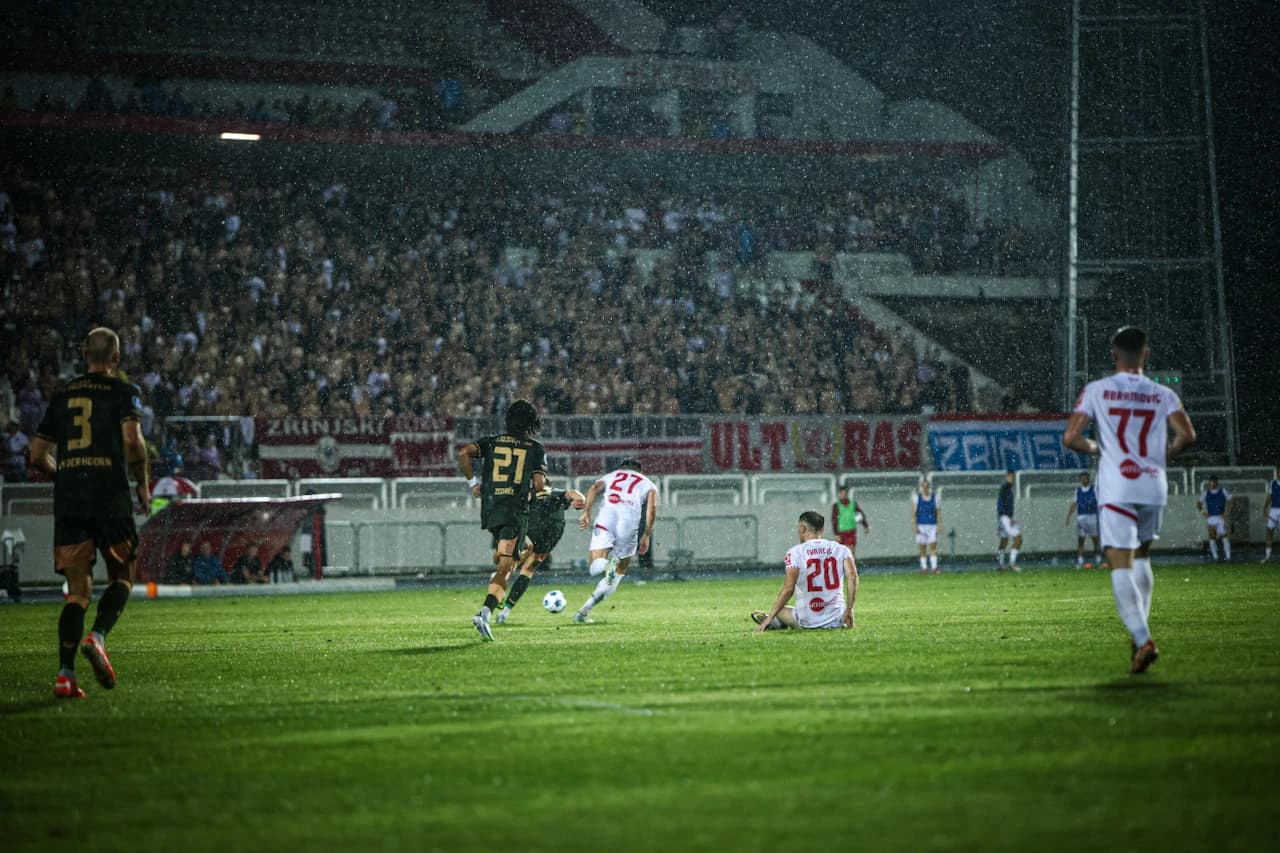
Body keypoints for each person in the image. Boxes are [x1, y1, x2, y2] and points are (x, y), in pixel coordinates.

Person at [1062, 325, 1196, 674]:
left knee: (1120, 562)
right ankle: (1139, 638)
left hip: (1119, 485)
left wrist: (1098, 448)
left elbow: (1071, 438)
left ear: (1113, 355)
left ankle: (1143, 637)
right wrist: (1162, 456)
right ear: (1146, 355)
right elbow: (1187, 435)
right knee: (1142, 558)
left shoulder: (1097, 390)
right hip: (1153, 485)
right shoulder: (1162, 393)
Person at [26, 327, 151, 699]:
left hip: (71, 501)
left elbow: (36, 455)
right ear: (115, 358)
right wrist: (142, 482)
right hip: (109, 496)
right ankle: (97, 637)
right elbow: (132, 439)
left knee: (77, 593)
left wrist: (62, 476)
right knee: (123, 576)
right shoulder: (123, 392)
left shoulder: (64, 395)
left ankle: (65, 675)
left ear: (84, 354)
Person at [457, 399, 546, 641]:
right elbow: (539, 485)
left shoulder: (491, 442)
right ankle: (484, 613)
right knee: (508, 567)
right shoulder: (534, 448)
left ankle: (498, 575)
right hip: (515, 509)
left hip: (492, 509)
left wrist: (473, 484)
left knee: (525, 548)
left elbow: (463, 453)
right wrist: (543, 491)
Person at [572, 457, 658, 624]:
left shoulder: (612, 475)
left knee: (595, 567)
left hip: (606, 517)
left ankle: (605, 565)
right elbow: (652, 508)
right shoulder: (648, 483)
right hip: (629, 524)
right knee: (618, 573)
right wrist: (646, 535)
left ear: (622, 468)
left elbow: (594, 488)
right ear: (639, 471)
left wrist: (586, 512)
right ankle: (584, 611)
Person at [495, 472, 585, 624]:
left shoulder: (531, 494)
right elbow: (572, 494)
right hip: (549, 537)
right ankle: (505, 611)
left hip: (533, 532)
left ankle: (498, 589)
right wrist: (580, 499)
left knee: (510, 564)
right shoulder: (557, 494)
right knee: (527, 570)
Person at [752, 510, 857, 631]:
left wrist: (768, 619)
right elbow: (853, 577)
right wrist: (849, 609)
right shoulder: (841, 549)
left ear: (802, 528)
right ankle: (778, 622)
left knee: (780, 610)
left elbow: (788, 589)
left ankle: (775, 622)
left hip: (807, 622)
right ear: (822, 530)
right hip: (837, 620)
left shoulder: (795, 552)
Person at [1065, 471, 1103, 569]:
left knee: (1095, 539)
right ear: (1080, 480)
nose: (1084, 480)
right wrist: (1068, 517)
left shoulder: (1094, 489)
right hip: (1081, 517)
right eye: (1082, 478)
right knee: (1081, 540)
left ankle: (1098, 559)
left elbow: (1100, 503)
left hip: (1092, 517)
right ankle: (1080, 560)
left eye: (1086, 478)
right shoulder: (1078, 491)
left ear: (1088, 479)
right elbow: (1073, 504)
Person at [1197, 475, 1234, 563]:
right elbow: (1198, 503)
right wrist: (1203, 513)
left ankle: (1228, 557)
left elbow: (1231, 500)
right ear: (1209, 483)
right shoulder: (1206, 493)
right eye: (1211, 482)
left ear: (1217, 482)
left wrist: (1227, 512)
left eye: (1214, 481)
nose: (1213, 483)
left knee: (1224, 536)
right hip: (1211, 518)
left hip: (1220, 517)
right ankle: (1215, 557)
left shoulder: (1222, 491)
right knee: (1212, 536)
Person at [830, 481, 870, 556]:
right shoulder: (836, 506)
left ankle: (851, 565)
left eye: (844, 493)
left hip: (851, 530)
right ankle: (844, 566)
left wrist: (865, 525)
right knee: (842, 552)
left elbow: (860, 515)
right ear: (839, 494)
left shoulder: (853, 504)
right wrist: (836, 533)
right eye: (841, 493)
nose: (843, 495)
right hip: (841, 531)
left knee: (851, 550)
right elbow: (834, 520)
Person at [912, 477, 942, 574]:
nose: (925, 488)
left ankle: (934, 567)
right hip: (921, 525)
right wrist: (915, 525)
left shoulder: (935, 497)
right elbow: (914, 513)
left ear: (929, 487)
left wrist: (939, 524)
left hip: (932, 525)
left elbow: (938, 512)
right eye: (923, 486)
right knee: (922, 548)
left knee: (933, 547)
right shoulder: (918, 498)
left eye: (927, 486)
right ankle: (924, 568)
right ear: (921, 487)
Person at [995, 469, 1022, 571]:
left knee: (1004, 540)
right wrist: (1010, 516)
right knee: (1018, 539)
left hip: (1002, 516)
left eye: (1013, 477)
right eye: (1011, 476)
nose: (1012, 478)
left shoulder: (1006, 487)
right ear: (1007, 477)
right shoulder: (1006, 487)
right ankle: (1011, 563)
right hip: (1005, 516)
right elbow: (1005, 503)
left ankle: (1000, 564)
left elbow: (1002, 503)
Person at [1263, 465, 1280, 563]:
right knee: (1269, 533)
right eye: (1278, 472)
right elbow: (1269, 497)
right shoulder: (1272, 483)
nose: (1279, 474)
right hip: (1274, 510)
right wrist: (1265, 508)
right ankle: (1267, 556)